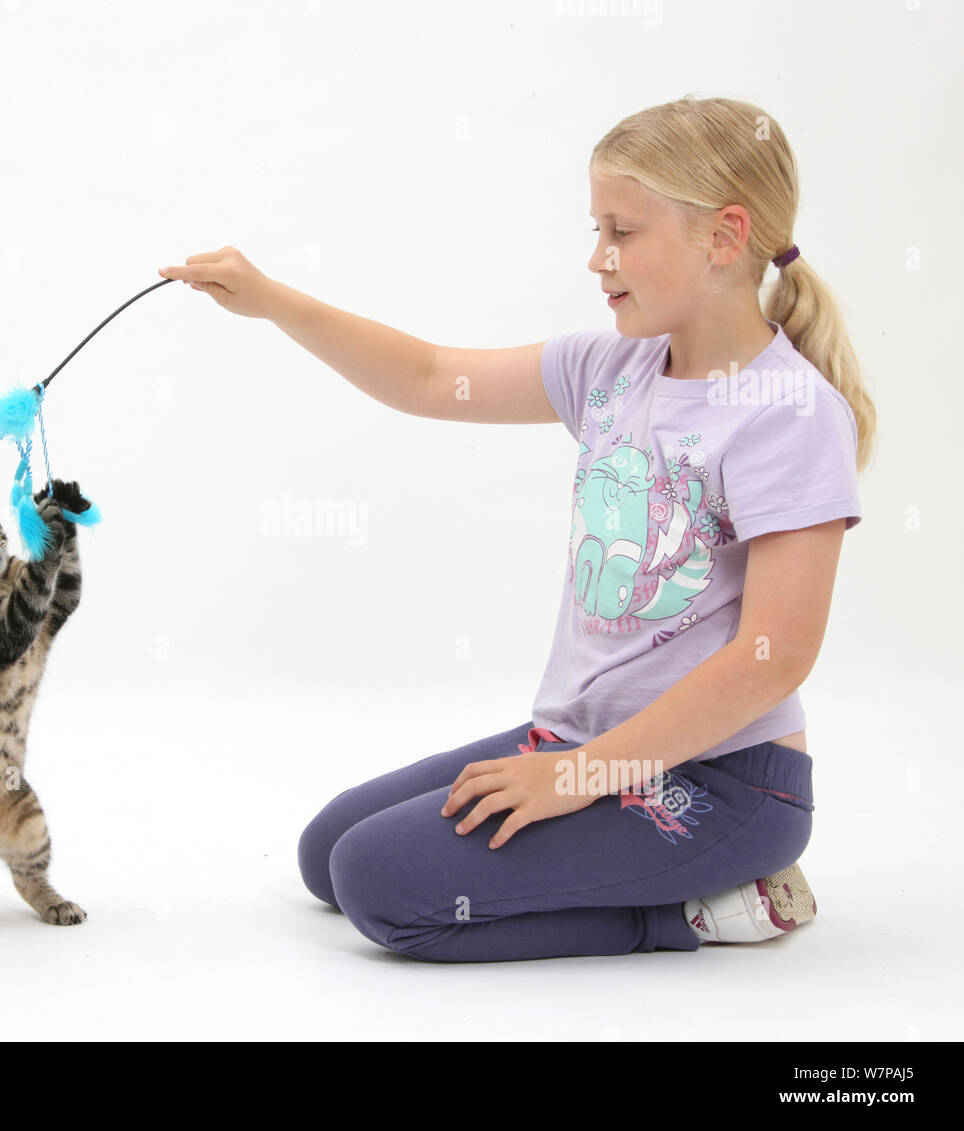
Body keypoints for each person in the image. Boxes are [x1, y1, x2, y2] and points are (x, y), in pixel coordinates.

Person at [156, 94, 876, 963]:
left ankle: (709, 909)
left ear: (724, 237)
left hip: (722, 786)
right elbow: (427, 377)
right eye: (597, 228)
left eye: (623, 231)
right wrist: (274, 300)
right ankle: (589, 809)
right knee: (326, 856)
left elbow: (778, 656)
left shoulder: (789, 413)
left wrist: (575, 779)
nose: (597, 257)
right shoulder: (611, 367)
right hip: (583, 742)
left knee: (382, 888)